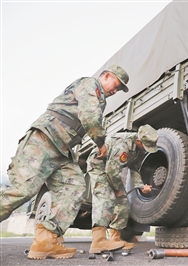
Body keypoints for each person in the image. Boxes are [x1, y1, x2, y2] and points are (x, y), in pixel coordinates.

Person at [0, 64, 130, 260]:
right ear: (106, 76)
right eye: (116, 84)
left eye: (119, 89)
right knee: (23, 191)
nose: (115, 90)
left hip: (62, 150)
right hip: (44, 140)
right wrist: (101, 144)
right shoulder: (90, 84)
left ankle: (46, 240)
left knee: (75, 186)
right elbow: (90, 119)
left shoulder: (99, 96)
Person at [86, 124, 158, 254]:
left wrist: (141, 186)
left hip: (110, 167)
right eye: (145, 146)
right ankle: (98, 241)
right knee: (104, 197)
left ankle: (115, 238)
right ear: (138, 141)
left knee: (123, 201)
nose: (146, 150)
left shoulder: (137, 148)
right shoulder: (122, 145)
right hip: (98, 165)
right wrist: (117, 189)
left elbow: (134, 168)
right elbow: (111, 170)